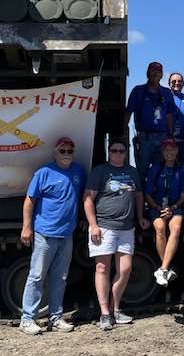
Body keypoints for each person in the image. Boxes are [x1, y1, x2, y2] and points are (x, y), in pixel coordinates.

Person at [19, 136, 86, 335]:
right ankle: (27, 319)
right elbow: (29, 201)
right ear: (55, 152)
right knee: (37, 276)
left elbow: (80, 197)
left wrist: (81, 218)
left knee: (60, 277)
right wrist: (26, 227)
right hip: (45, 233)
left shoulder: (78, 171)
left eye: (69, 151)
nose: (66, 154)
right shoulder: (44, 172)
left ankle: (55, 318)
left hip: (67, 234)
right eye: (62, 150)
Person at [83, 139, 150, 332]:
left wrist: (139, 217)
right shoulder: (100, 171)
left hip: (126, 227)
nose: (118, 154)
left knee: (126, 269)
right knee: (103, 268)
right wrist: (93, 225)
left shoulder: (132, 171)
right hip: (104, 227)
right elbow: (88, 199)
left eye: (122, 151)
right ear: (109, 152)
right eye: (114, 150)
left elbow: (138, 195)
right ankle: (105, 312)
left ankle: (116, 308)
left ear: (126, 152)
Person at [145, 138, 184, 286]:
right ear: (162, 152)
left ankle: (163, 268)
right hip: (157, 207)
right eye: (166, 149)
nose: (169, 152)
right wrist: (158, 208)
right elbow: (147, 194)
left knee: (176, 228)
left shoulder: (182, 170)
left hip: (175, 207)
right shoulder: (155, 168)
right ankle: (167, 267)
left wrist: (172, 208)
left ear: (177, 151)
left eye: (172, 149)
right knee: (159, 227)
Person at [126, 61, 175, 181]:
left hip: (162, 137)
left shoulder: (167, 92)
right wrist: (123, 134)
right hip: (144, 138)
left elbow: (169, 114)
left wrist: (171, 135)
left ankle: (157, 199)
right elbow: (128, 112)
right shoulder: (138, 91)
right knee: (141, 172)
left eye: (158, 72)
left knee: (160, 172)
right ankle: (140, 199)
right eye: (153, 71)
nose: (155, 74)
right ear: (147, 73)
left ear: (162, 75)